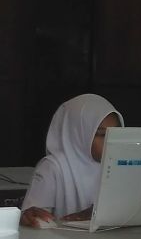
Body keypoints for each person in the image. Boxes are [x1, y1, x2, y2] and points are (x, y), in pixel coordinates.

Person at [20, 94, 123, 227]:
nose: (110, 141)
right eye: (101, 134)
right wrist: (30, 216)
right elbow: (35, 219)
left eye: (115, 134)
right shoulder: (53, 167)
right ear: (78, 134)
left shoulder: (120, 164)